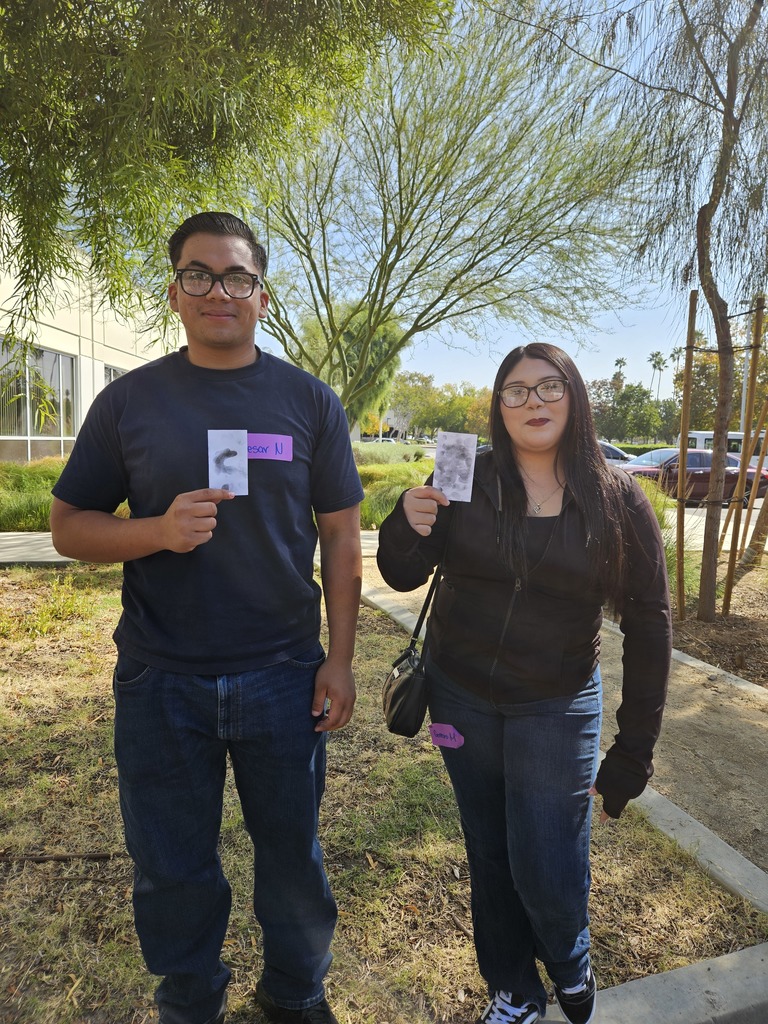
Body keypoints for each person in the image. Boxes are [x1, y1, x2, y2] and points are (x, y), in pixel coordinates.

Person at [50, 212, 364, 1024]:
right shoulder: (129, 402)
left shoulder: (310, 402)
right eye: (199, 275)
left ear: (262, 296)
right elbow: (68, 526)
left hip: (285, 674)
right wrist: (156, 531)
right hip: (160, 678)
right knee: (171, 866)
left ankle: (295, 995)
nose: (218, 291)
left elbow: (340, 536)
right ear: (174, 292)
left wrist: (340, 659)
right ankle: (189, 1003)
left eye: (236, 277)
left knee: (292, 857)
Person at [376, 343, 671, 1024]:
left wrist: (634, 751)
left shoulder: (617, 498)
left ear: (575, 397)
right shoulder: (461, 471)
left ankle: (568, 954)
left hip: (556, 705)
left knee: (546, 855)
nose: (533, 401)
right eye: (515, 390)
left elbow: (650, 625)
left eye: (549, 387)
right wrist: (403, 521)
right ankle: (513, 987)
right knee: (488, 848)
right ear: (498, 406)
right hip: (458, 701)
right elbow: (402, 572)